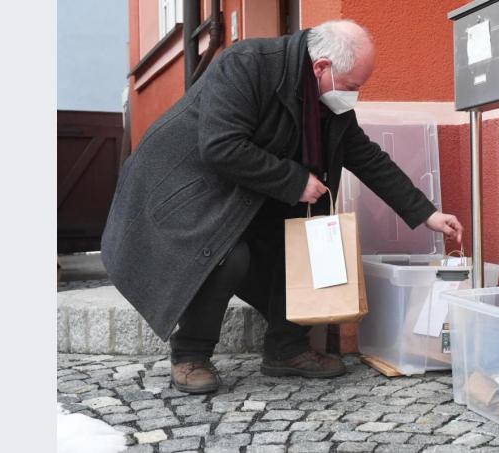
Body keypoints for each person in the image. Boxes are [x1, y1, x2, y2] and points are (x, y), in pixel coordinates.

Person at [101, 19, 464, 394]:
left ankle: (285, 350)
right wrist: (294, 181)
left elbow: (367, 157)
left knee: (301, 243)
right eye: (353, 86)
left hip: (245, 190)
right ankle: (190, 355)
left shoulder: (327, 98)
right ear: (321, 67)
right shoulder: (247, 65)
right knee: (226, 256)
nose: (355, 95)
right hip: (185, 189)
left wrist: (427, 214)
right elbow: (220, 146)